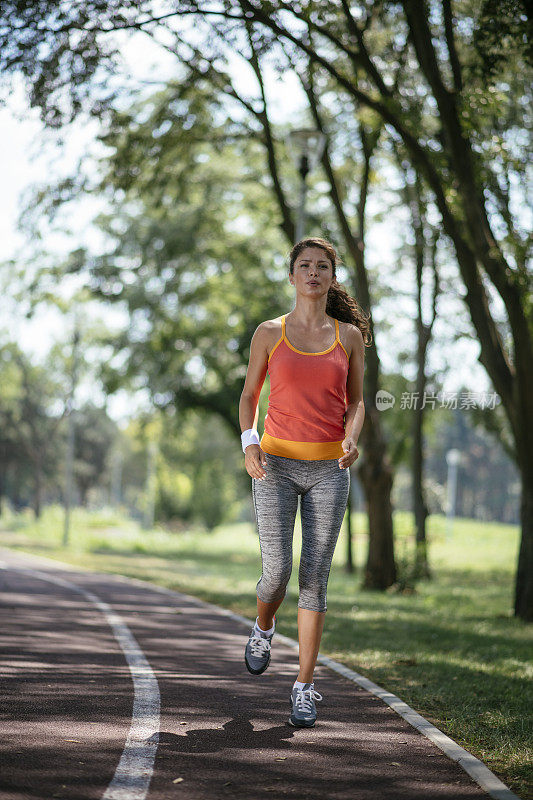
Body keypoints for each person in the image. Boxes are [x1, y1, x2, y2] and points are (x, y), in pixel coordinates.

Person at [239, 236, 369, 728]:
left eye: (322, 267)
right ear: (291, 275)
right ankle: (263, 626)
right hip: (273, 464)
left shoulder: (348, 337)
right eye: (304, 266)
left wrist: (350, 439)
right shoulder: (269, 333)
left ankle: (304, 687)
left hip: (329, 471)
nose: (313, 273)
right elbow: (250, 395)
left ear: (332, 278)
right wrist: (250, 443)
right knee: (276, 572)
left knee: (315, 577)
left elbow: (356, 403)